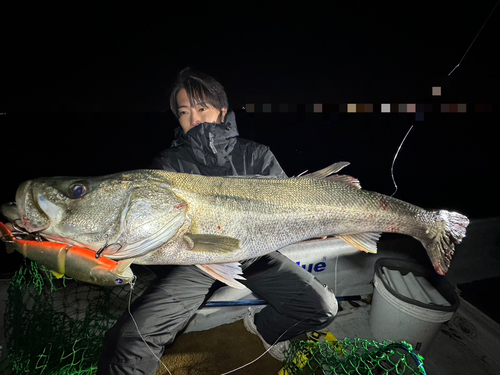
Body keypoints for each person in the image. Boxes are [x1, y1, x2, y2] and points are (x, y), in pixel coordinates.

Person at [97, 68, 338, 375]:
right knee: (130, 338)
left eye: (201, 108)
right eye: (184, 112)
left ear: (222, 111)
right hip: (194, 259)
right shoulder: (168, 166)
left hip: (253, 253)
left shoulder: (257, 155)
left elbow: (288, 208)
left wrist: (314, 228)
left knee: (321, 308)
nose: (193, 118)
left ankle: (261, 330)